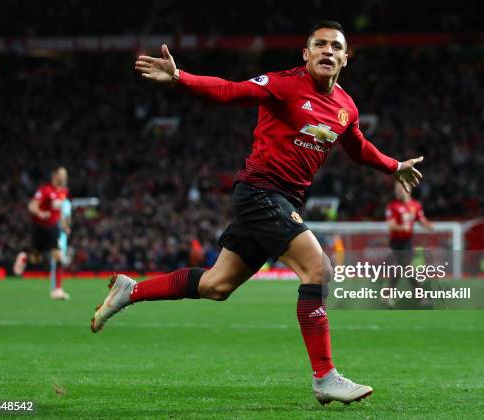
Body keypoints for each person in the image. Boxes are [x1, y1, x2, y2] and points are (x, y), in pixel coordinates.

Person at [91, 21, 424, 405]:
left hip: (283, 201)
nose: (327, 51)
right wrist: (180, 77)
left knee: (217, 286)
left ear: (346, 58)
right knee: (318, 269)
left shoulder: (346, 107)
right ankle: (325, 377)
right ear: (306, 53)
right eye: (320, 45)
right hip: (261, 193)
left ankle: (131, 290)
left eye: (336, 46)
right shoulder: (284, 84)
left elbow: (358, 147)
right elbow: (231, 92)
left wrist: (393, 165)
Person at [17, 167, 70, 300]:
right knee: (36, 259)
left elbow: (59, 212)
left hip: (53, 227)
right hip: (40, 227)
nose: (64, 178)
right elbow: (32, 205)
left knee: (58, 256)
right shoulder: (45, 190)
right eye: (62, 175)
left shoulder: (64, 191)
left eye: (65, 175)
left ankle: (57, 290)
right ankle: (25, 257)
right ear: (55, 176)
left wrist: (64, 225)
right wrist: (40, 213)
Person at [385, 182, 433, 306]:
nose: (397, 191)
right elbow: (391, 225)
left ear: (407, 190)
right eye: (396, 189)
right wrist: (403, 228)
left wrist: (429, 226)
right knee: (405, 268)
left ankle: (388, 295)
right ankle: (421, 296)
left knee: (403, 268)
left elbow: (421, 220)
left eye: (399, 189)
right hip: (396, 242)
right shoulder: (392, 206)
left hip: (407, 242)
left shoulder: (415, 205)